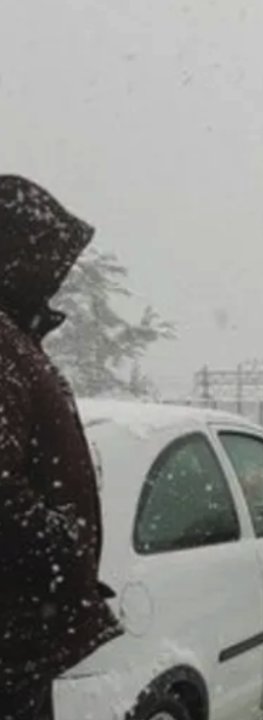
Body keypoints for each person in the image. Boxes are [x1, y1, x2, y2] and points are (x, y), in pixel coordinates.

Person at [0, 176, 122, 719]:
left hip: (21, 632)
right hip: (14, 632)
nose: (57, 276)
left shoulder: (14, 339)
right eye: (46, 258)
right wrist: (62, 544)